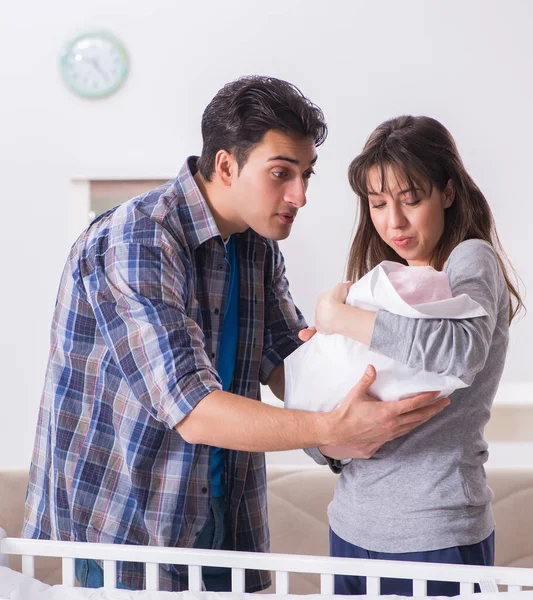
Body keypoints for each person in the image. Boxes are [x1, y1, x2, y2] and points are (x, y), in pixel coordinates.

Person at [22, 79, 449, 592]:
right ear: (226, 165)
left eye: (306, 175)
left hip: (228, 525)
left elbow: (290, 364)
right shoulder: (138, 239)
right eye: (281, 174)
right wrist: (333, 429)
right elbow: (194, 410)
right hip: (126, 528)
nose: (301, 195)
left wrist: (378, 366)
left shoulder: (257, 248)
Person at [303, 115, 524, 596]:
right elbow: (328, 414)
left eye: (411, 199)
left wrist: (336, 319)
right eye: (378, 204)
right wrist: (329, 444)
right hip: (350, 525)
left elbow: (458, 353)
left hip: (435, 530)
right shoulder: (380, 283)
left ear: (447, 192)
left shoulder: (469, 260)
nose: (393, 222)